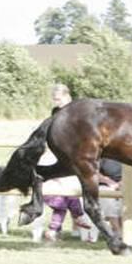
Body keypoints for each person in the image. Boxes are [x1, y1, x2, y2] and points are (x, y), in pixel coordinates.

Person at [40, 83, 93, 241]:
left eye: (59, 99)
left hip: (74, 156)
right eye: (54, 99)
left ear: (67, 97)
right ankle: (72, 219)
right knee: (63, 193)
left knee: (67, 192)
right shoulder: (56, 113)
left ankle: (57, 228)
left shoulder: (77, 113)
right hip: (58, 155)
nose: (57, 102)